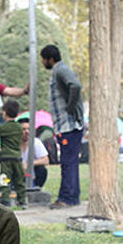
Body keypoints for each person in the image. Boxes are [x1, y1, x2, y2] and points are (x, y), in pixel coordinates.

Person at [40, 44, 84, 210]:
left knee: (67, 162)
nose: (43, 62)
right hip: (64, 126)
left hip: (69, 126)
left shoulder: (60, 70)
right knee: (70, 162)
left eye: (44, 59)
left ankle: (66, 198)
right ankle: (73, 197)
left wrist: (71, 107)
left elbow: (75, 86)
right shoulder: (57, 71)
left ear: (50, 59)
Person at [0, 100, 26, 209]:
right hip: (17, 158)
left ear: (4, 113)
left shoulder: (4, 127)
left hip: (6, 158)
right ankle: (22, 201)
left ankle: (5, 200)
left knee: (5, 179)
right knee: (19, 179)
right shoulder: (19, 127)